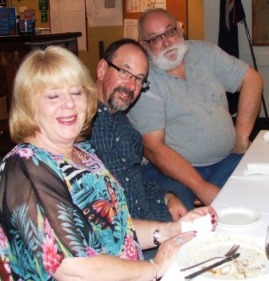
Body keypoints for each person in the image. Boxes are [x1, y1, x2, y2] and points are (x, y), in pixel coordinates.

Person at [0, 45, 218, 281]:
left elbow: (116, 229)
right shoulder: (25, 165)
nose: (69, 104)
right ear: (29, 104)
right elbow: (73, 269)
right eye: (53, 96)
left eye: (76, 92)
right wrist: (154, 268)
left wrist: (171, 230)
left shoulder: (84, 154)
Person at [128, 8, 263, 210]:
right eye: (155, 39)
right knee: (180, 217)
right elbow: (153, 149)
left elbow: (252, 79)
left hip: (226, 159)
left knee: (260, 191)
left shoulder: (204, 52)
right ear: (143, 46)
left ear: (180, 30)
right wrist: (202, 187)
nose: (166, 43)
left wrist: (241, 137)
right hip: (173, 173)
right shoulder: (143, 79)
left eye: (170, 32)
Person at [89, 38, 188, 223]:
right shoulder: (78, 128)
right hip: (125, 239)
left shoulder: (125, 127)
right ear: (102, 69)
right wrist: (161, 232)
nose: (132, 86)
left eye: (140, 79)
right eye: (125, 72)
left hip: (151, 221)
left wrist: (167, 197)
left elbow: (133, 181)